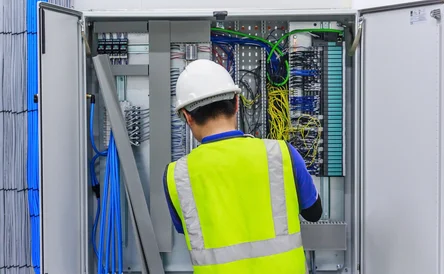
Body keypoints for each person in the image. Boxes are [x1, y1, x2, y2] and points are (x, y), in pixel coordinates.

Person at [163, 59, 322, 274]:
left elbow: (189, 230)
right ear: (237, 102)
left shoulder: (176, 176)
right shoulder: (282, 154)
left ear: (187, 117)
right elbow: (314, 213)